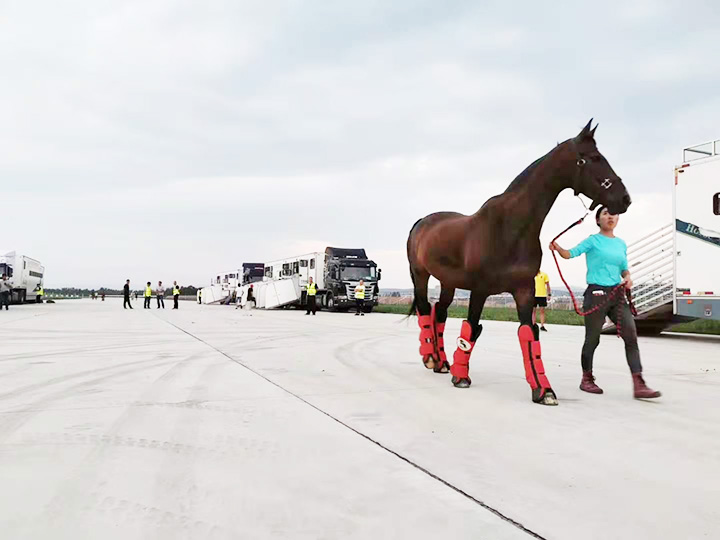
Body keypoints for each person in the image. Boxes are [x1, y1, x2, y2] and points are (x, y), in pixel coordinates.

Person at [550, 206, 661, 399]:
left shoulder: (621, 244)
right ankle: (586, 379)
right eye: (605, 213)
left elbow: (624, 268)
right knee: (592, 339)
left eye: (614, 214)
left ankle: (639, 384)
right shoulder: (593, 240)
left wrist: (628, 277)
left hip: (617, 294)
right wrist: (558, 248)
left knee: (631, 336)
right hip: (596, 294)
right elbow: (570, 254)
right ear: (597, 220)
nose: (610, 216)